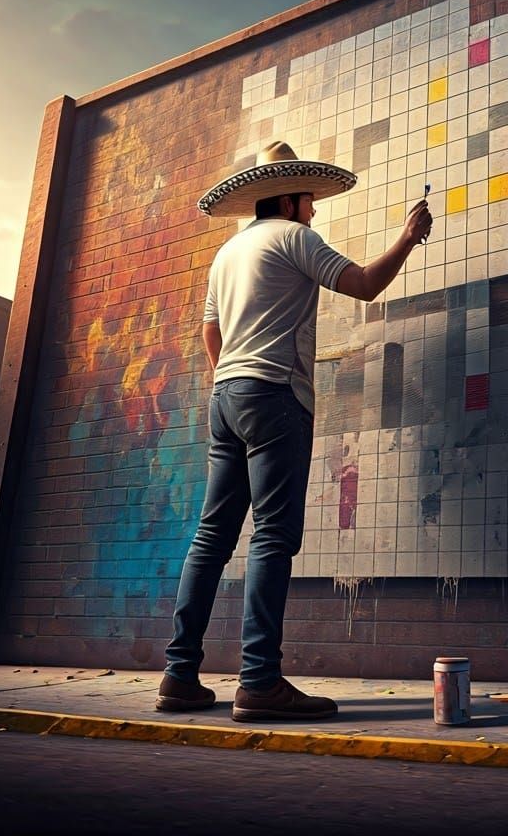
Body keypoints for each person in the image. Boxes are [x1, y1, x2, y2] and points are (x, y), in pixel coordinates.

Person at [156, 141, 432, 721]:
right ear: (287, 197)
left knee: (211, 538)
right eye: (309, 199)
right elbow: (362, 285)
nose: (314, 209)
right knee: (273, 538)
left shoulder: (227, 253)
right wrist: (408, 237)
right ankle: (258, 682)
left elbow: (211, 333)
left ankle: (179, 676)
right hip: (274, 394)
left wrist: (232, 377)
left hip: (226, 395)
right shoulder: (293, 237)